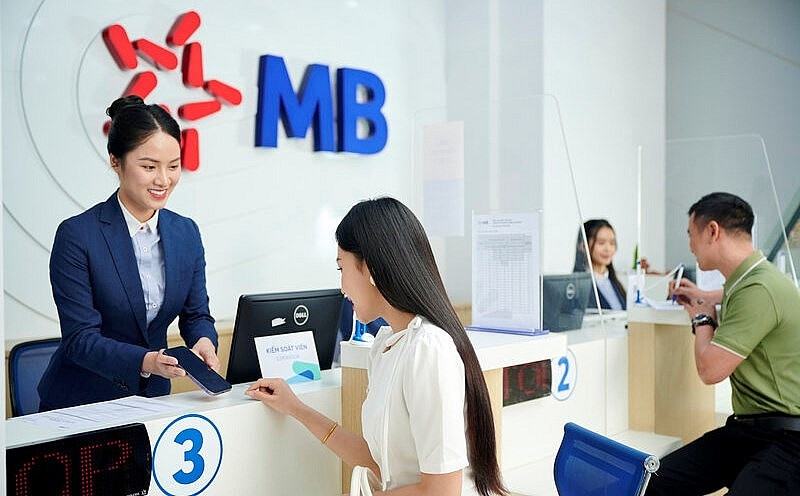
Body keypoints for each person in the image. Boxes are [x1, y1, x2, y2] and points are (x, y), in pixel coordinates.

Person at [246, 197, 507, 496]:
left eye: (341, 268)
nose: (342, 288)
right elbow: (380, 463)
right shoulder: (386, 344)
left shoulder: (428, 349)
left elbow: (441, 491)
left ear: (369, 268)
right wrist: (295, 408)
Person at [38, 95, 220, 411]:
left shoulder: (186, 232)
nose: (163, 180)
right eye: (149, 166)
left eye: (173, 166)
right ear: (115, 161)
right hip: (83, 402)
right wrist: (147, 361)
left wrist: (204, 341)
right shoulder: (78, 235)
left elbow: (196, 315)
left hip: (153, 401)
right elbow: (80, 339)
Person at [646, 192, 800, 495]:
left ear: (712, 231)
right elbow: (738, 297)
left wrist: (702, 318)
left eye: (690, 234)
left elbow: (710, 370)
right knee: (650, 484)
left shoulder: (759, 288)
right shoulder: (749, 280)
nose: (690, 246)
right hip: (746, 432)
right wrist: (704, 295)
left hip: (787, 443)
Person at [573, 219, 628, 310]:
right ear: (583, 246)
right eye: (601, 243)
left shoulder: (615, 284)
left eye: (612, 243)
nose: (608, 249)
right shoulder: (578, 287)